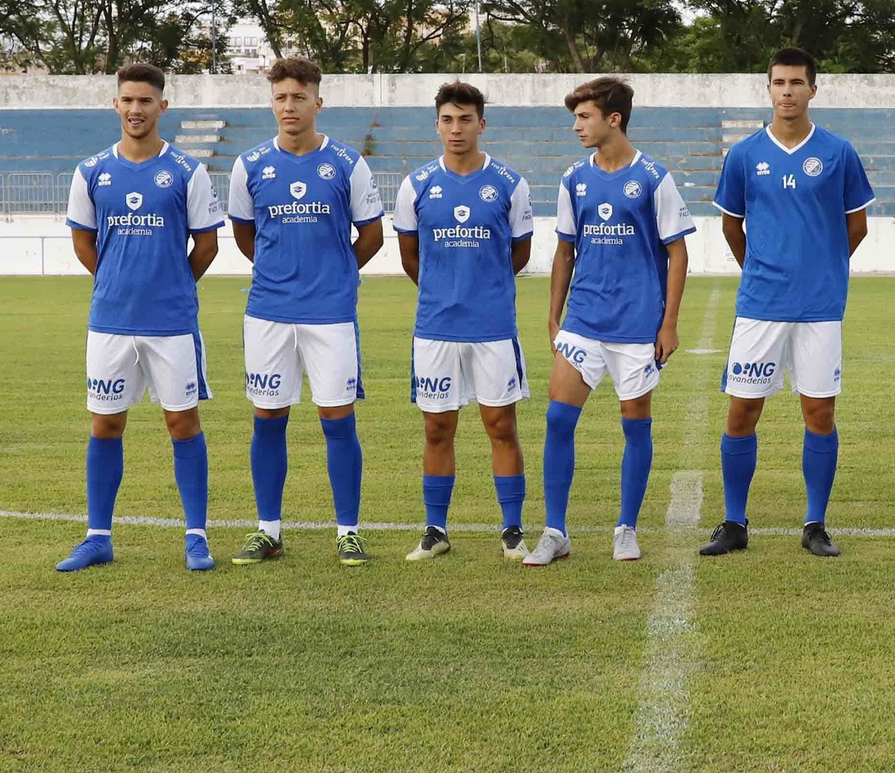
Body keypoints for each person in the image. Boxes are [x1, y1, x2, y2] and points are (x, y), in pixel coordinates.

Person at [700, 47, 874, 559]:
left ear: (813, 89)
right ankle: (734, 522)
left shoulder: (838, 151)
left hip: (820, 307)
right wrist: (761, 267)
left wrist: (823, 267)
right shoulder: (745, 155)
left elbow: (856, 224)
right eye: (779, 83)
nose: (788, 91)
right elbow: (733, 225)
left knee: (819, 412)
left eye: (797, 82)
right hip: (760, 305)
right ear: (769, 89)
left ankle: (815, 523)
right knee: (742, 411)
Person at [57, 64, 224, 572]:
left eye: (146, 101)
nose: (136, 109)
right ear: (116, 105)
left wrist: (169, 285)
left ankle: (196, 537)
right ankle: (97, 537)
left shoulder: (187, 171)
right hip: (109, 321)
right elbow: (84, 243)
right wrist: (117, 283)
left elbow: (208, 245)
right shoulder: (91, 172)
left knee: (182, 422)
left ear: (162, 107)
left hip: (171, 323)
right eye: (127, 100)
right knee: (105, 424)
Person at [523, 76, 695, 566]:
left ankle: (626, 527)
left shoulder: (654, 177)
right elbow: (563, 251)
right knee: (558, 419)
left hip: (638, 327)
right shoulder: (573, 178)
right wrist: (554, 318)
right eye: (576, 117)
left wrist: (668, 324)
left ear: (612, 118)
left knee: (635, 426)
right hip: (584, 320)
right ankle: (555, 531)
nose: (577, 125)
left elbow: (677, 254)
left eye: (584, 116)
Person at [227, 58, 385, 567]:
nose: (289, 105)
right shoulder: (250, 165)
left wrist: (337, 274)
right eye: (281, 97)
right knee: (267, 419)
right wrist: (282, 273)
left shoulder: (346, 163)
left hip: (331, 314)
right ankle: (268, 530)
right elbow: (246, 237)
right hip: (269, 312)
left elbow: (373, 234)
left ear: (318, 101)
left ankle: (348, 532)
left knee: (338, 420)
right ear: (271, 103)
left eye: (299, 96)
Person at [392, 82, 535, 562]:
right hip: (435, 328)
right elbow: (411, 257)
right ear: (436, 124)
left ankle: (512, 529)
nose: (457, 129)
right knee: (437, 429)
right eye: (448, 120)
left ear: (481, 124)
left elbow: (519, 252)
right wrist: (444, 290)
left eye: (466, 119)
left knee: (501, 425)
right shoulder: (415, 185)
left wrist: (481, 289)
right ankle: (436, 529)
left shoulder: (510, 183)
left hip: (492, 327)